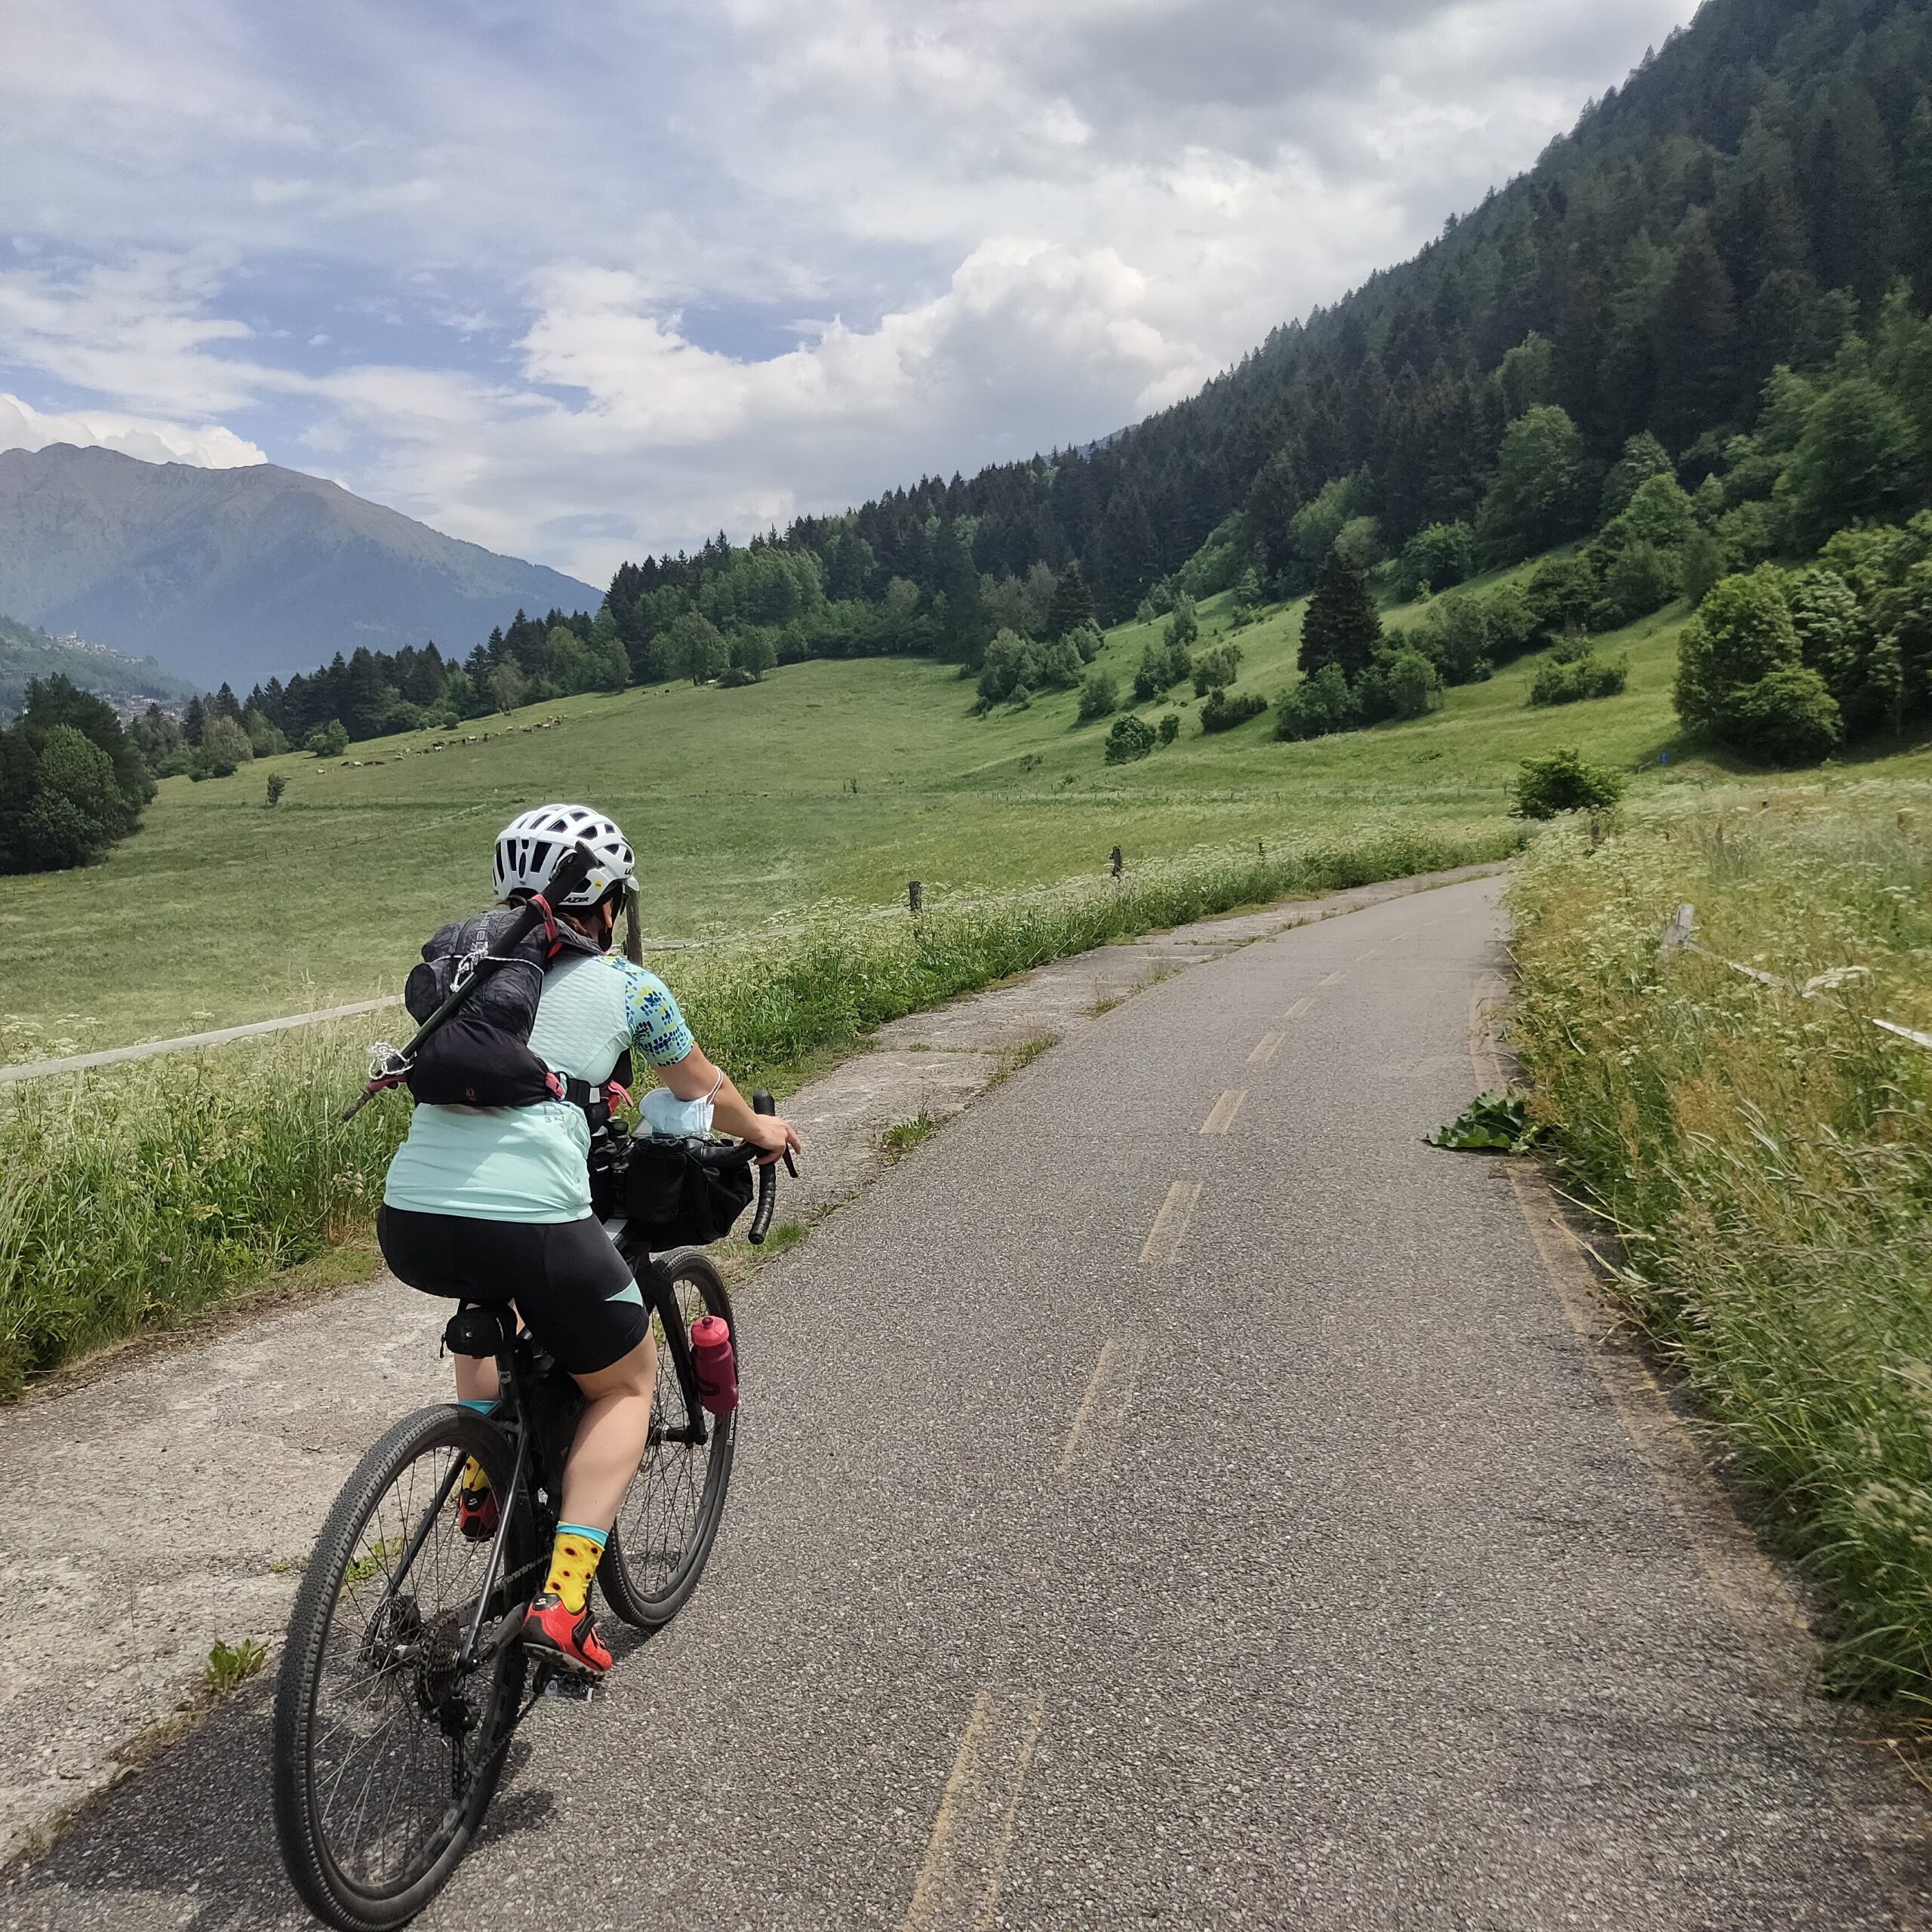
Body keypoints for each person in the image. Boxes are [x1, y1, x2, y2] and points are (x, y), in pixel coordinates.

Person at [376, 803, 800, 1674]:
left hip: (411, 1220)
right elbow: (700, 1085)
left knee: (487, 1298)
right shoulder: (628, 986)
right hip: (531, 1214)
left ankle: (485, 1469)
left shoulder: (471, 979)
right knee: (628, 1380)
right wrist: (761, 1129)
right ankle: (565, 1604)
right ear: (602, 900)